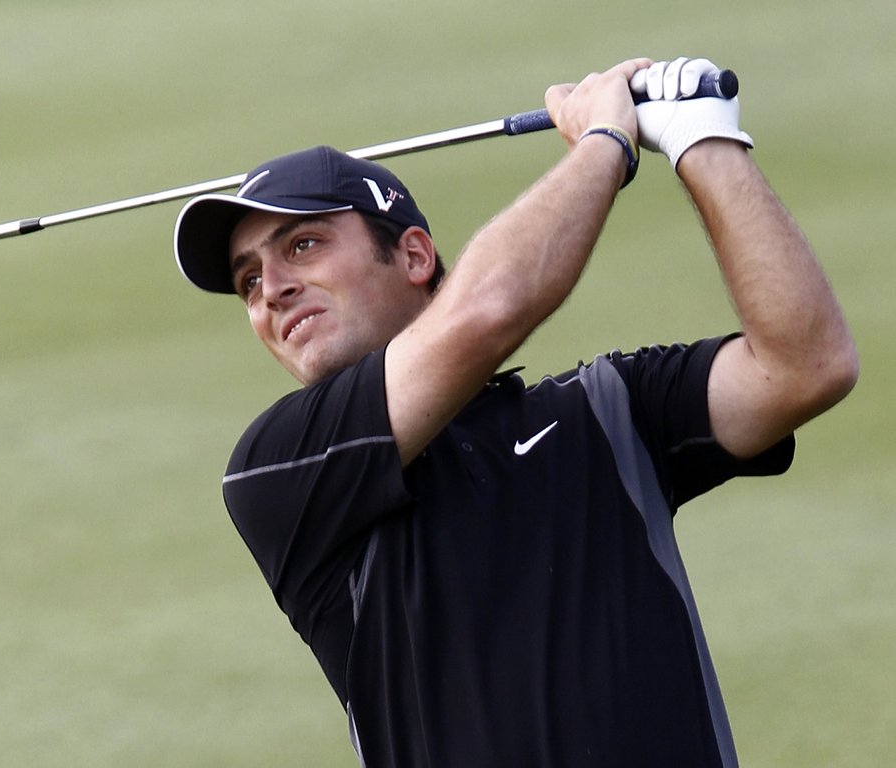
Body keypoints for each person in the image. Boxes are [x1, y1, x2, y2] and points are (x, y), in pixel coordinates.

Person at [172, 56, 858, 767]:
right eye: (248, 281)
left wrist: (704, 141)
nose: (271, 290)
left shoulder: (609, 409)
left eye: (303, 245)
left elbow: (806, 366)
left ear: (413, 256)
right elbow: (488, 311)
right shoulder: (281, 469)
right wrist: (605, 141)